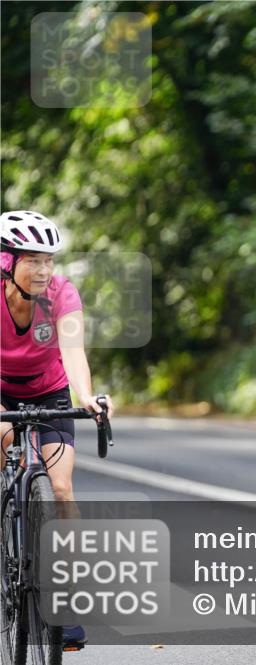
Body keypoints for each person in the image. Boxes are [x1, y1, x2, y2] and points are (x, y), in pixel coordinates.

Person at [0, 210, 115, 650]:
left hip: (50, 393)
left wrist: (86, 396)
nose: (44, 269)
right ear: (7, 263)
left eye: (48, 259)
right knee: (6, 452)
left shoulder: (62, 293)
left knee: (61, 489)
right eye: (33, 260)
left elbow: (73, 351)